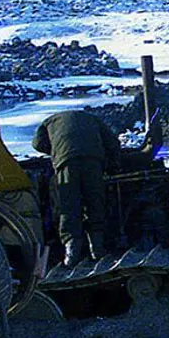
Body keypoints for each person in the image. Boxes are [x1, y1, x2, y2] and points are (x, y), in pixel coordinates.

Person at [32, 109, 121, 267]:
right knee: (95, 201)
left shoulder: (49, 122)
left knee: (69, 204)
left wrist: (56, 150)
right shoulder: (93, 118)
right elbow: (113, 143)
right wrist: (113, 162)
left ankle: (71, 252)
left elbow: (37, 144)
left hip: (66, 161)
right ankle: (97, 248)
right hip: (93, 160)